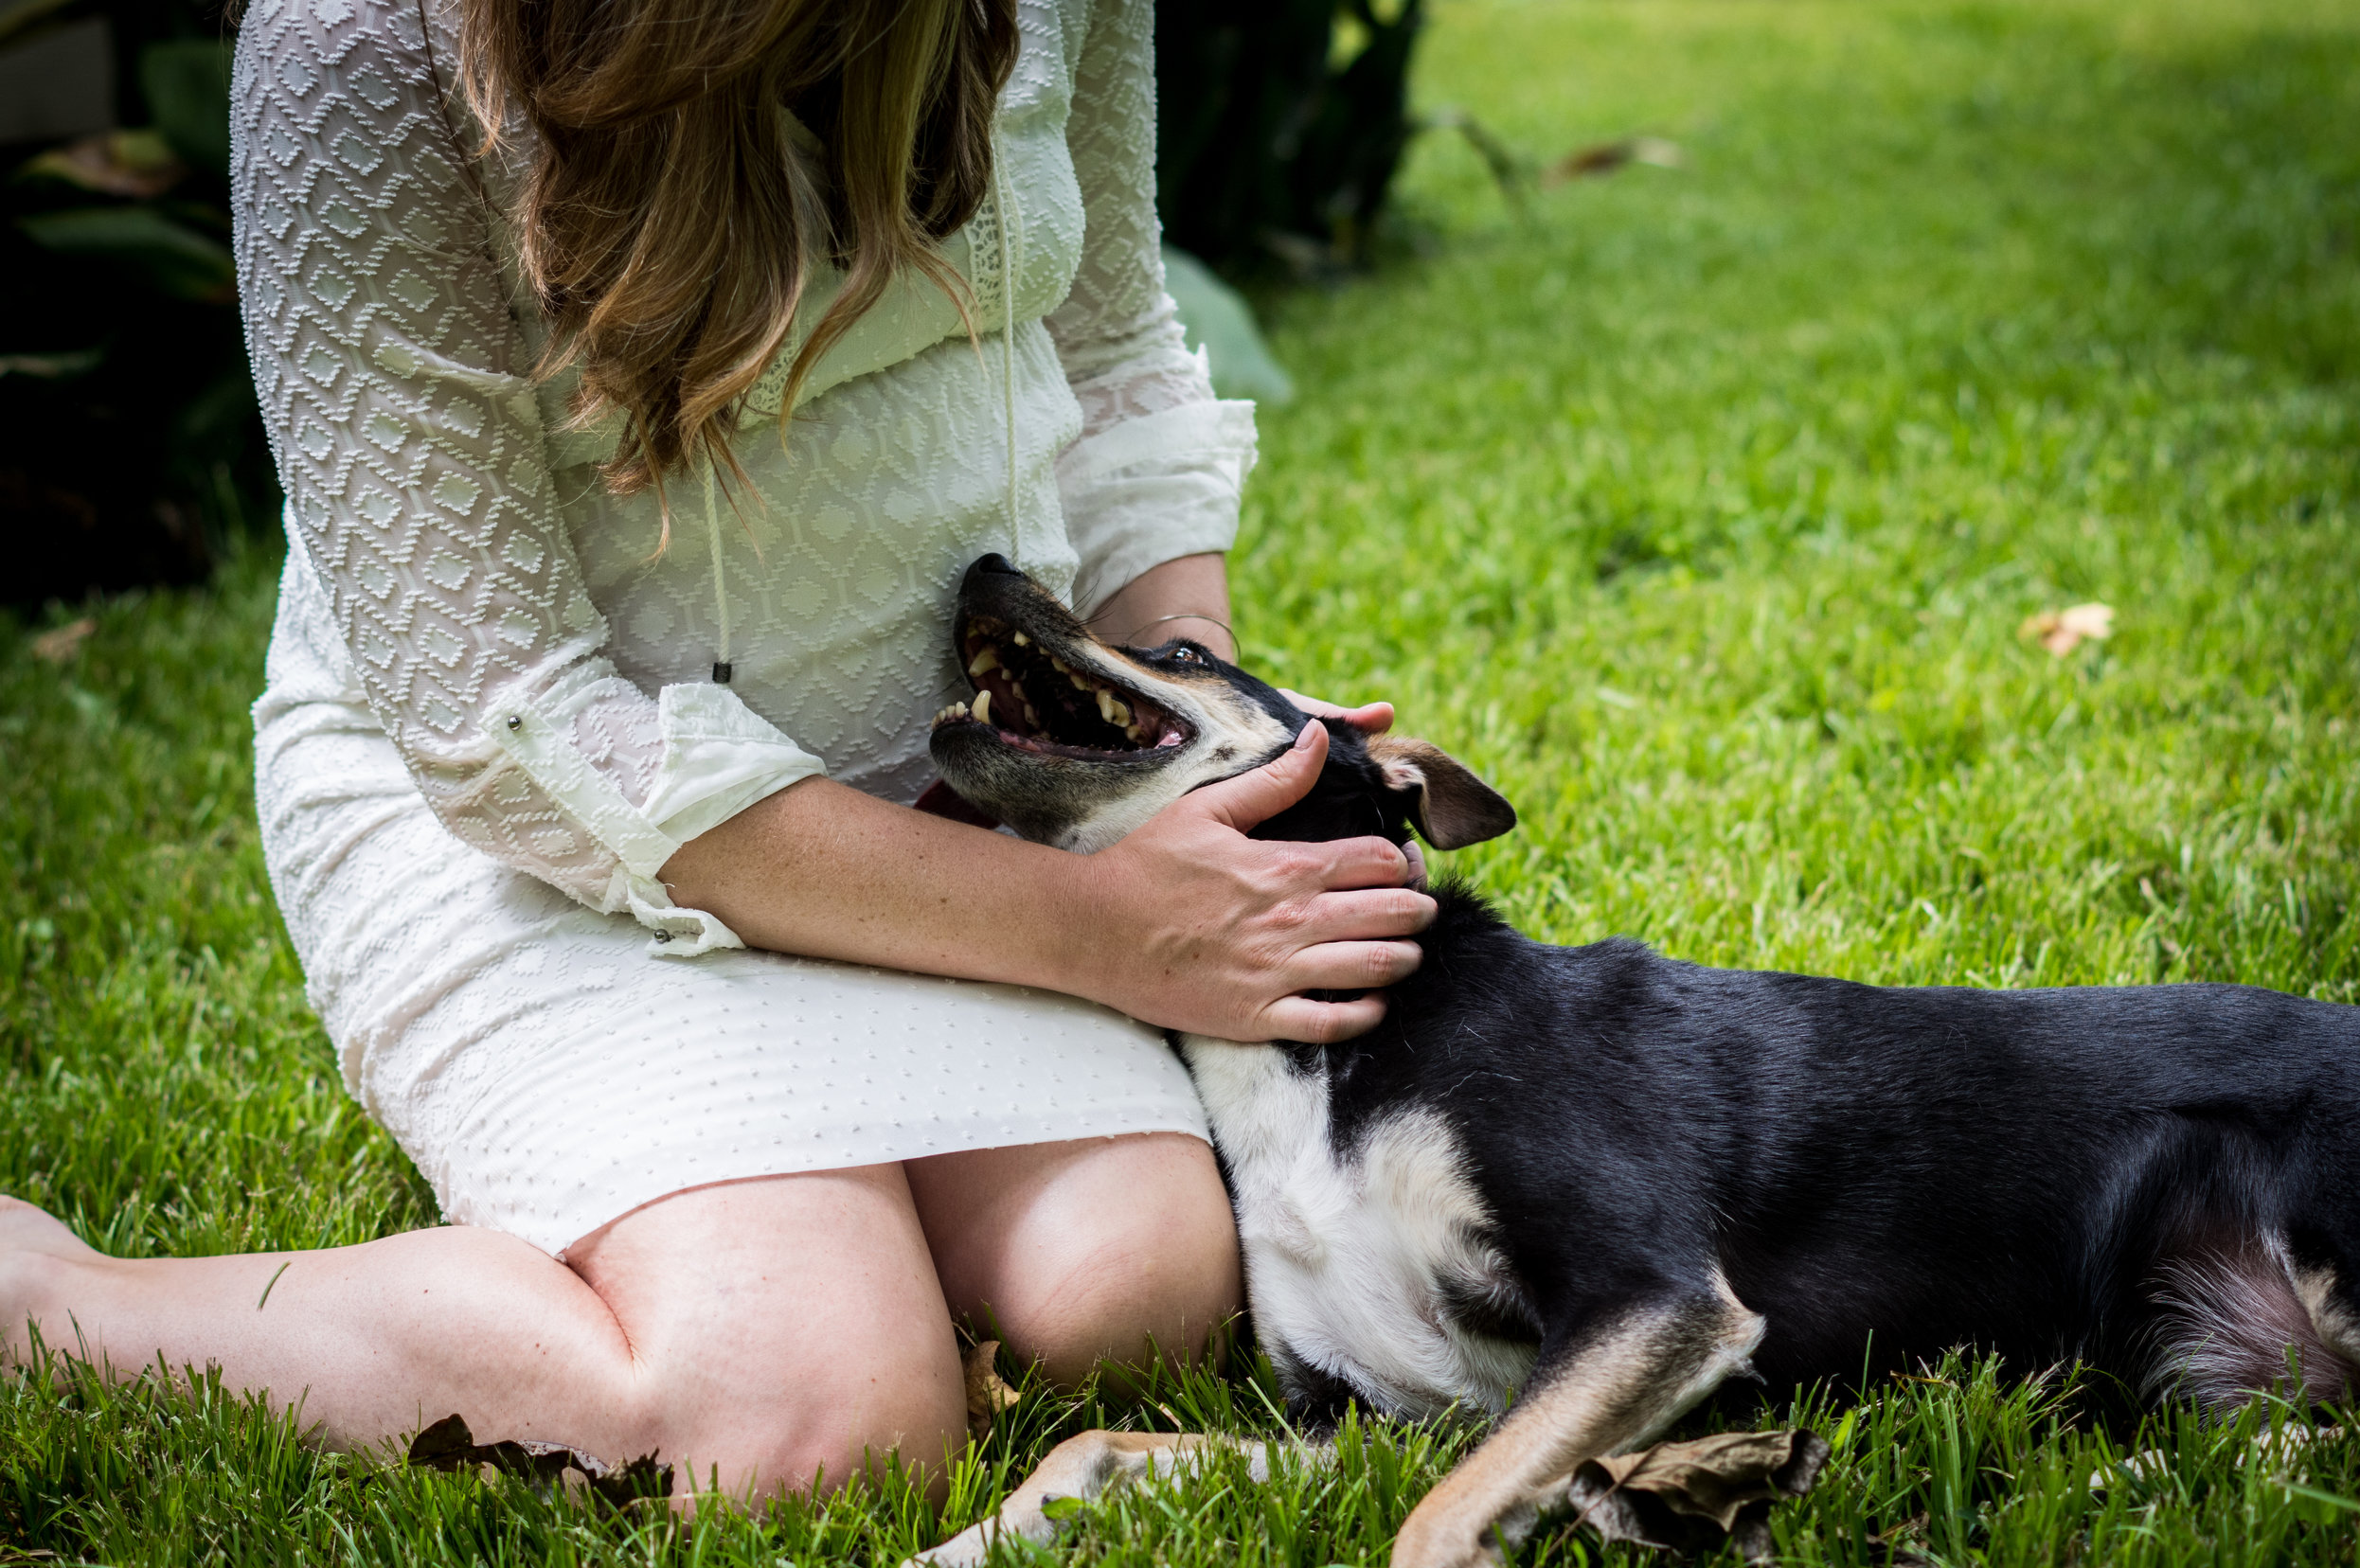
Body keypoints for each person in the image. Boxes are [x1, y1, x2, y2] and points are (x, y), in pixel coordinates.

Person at [0, 0, 1436, 1505]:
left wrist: (1181, 715)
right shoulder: (359, 48)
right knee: (817, 1428)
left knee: (1128, 1291)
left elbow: (1112, 350)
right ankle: (53, 1303)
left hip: (947, 785)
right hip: (548, 836)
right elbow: (510, 726)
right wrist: (1100, 930)